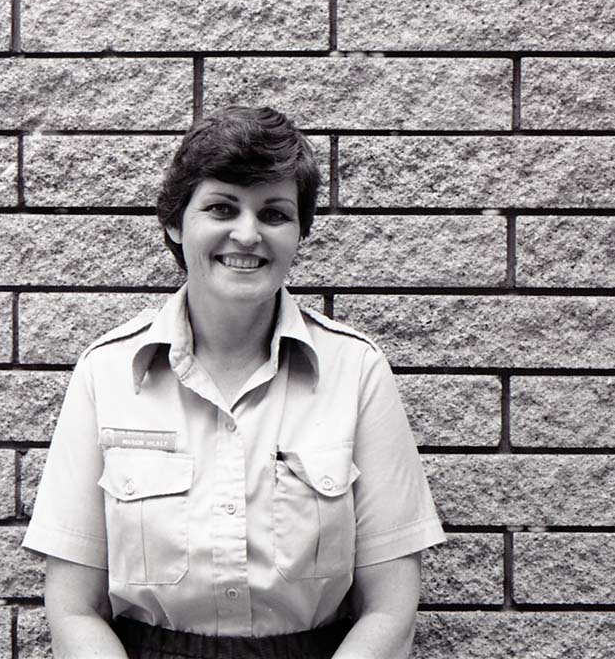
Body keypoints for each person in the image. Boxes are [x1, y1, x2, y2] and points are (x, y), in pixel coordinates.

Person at [23, 106, 444, 658]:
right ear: (176, 223)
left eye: (274, 213)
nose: (247, 234)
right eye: (222, 208)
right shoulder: (107, 373)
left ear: (299, 233)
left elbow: (389, 608)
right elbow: (74, 608)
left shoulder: (356, 370)